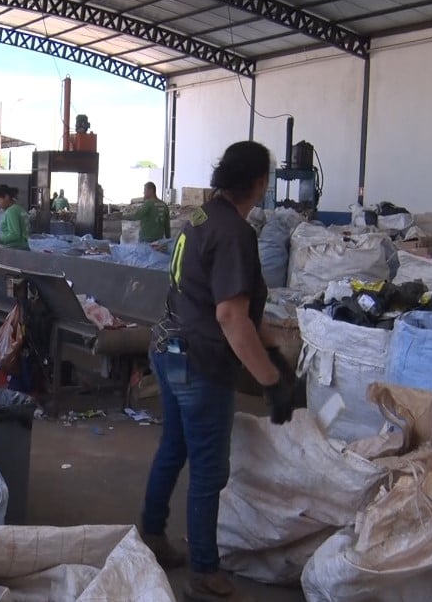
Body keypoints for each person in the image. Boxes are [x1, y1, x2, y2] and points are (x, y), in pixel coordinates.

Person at [139, 141, 295, 601]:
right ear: (261, 183)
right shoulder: (235, 234)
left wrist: (275, 355)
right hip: (200, 360)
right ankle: (203, 571)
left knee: (173, 448)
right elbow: (230, 317)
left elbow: (240, 309)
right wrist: (270, 381)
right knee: (209, 470)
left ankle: (150, 534)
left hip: (168, 347)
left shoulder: (204, 217)